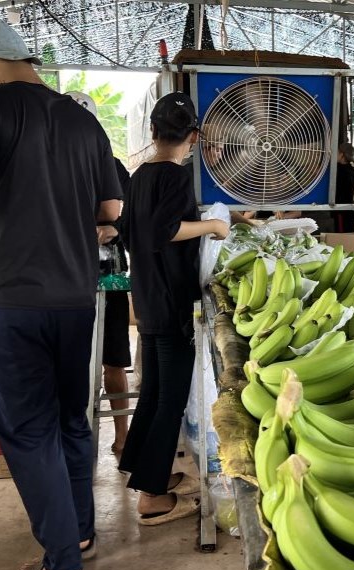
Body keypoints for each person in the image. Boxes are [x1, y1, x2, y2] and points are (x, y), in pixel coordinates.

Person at [0, 19, 121, 570]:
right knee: (75, 419)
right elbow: (112, 208)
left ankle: (63, 564)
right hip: (77, 297)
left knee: (27, 430)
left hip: (10, 300)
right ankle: (82, 532)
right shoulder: (82, 119)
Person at [118, 92, 229, 525]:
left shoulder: (139, 175)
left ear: (152, 131)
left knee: (154, 391)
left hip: (146, 297)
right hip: (170, 302)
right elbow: (165, 229)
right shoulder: (176, 177)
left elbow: (130, 231)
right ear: (195, 136)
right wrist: (213, 226)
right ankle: (150, 497)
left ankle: (146, 472)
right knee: (170, 398)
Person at [67, 91, 131, 456]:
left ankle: (122, 436)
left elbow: (130, 218)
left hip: (110, 275)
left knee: (113, 358)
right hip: (67, 276)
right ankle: (76, 438)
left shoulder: (115, 167)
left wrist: (113, 228)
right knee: (72, 361)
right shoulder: (49, 167)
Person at [333, 142, 354, 233]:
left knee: (341, 237)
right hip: (349, 210)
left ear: (342, 154)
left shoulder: (338, 170)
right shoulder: (353, 170)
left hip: (340, 211)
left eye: (336, 153)